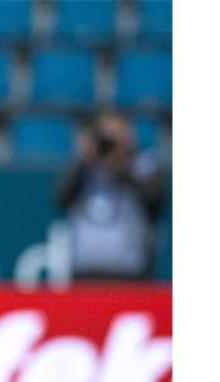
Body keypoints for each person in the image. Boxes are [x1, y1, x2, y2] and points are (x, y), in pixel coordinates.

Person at [54, 110, 167, 281]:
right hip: (86, 269)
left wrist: (120, 164)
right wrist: (83, 158)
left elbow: (155, 199)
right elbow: (61, 198)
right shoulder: (85, 168)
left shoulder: (143, 165)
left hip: (129, 271)